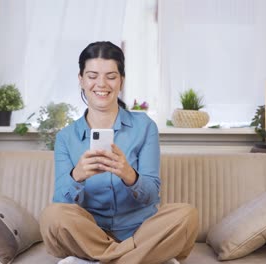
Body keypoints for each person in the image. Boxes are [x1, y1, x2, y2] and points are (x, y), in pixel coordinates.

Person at [39, 41, 198, 264]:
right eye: (92, 75)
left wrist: (129, 175)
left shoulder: (144, 127)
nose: (101, 84)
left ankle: (100, 259)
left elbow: (152, 194)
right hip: (90, 233)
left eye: (111, 76)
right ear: (81, 80)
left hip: (139, 230)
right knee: (51, 216)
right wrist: (77, 175)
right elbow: (60, 202)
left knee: (186, 215)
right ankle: (137, 258)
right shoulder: (66, 137)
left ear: (121, 81)